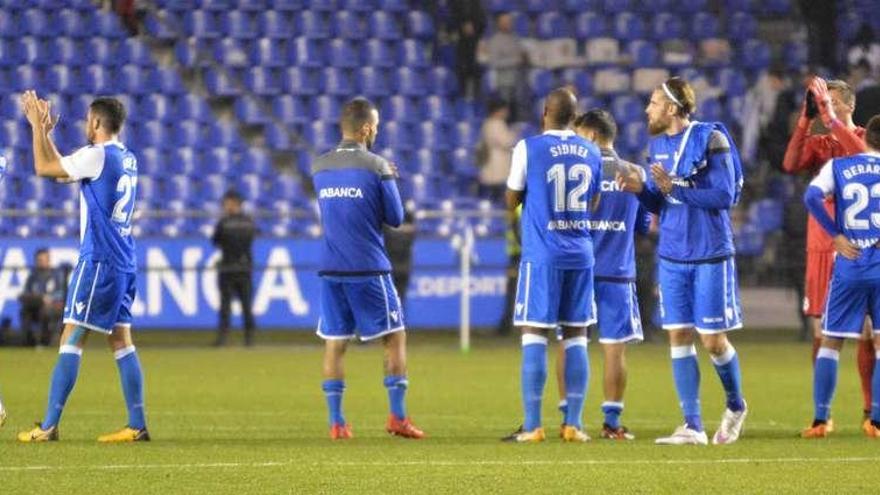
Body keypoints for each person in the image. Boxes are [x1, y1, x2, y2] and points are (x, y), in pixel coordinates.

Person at [616, 77, 747, 445]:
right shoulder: (657, 145)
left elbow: (723, 195)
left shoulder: (711, 139)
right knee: (678, 335)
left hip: (709, 251)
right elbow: (662, 203)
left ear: (672, 108)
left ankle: (736, 405)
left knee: (713, 341)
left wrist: (678, 188)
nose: (648, 109)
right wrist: (643, 191)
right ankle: (692, 425)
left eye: (654, 102)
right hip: (672, 253)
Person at [17, 91, 148, 443]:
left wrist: (34, 127)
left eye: (87, 120)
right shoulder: (127, 157)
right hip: (124, 260)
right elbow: (62, 174)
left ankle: (48, 426)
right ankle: (137, 424)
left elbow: (44, 169)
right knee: (121, 340)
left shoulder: (96, 155)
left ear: (95, 122)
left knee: (70, 337)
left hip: (100, 260)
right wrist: (46, 135)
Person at [311, 97, 424, 440]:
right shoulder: (378, 166)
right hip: (368, 268)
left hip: (331, 267)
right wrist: (389, 179)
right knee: (395, 336)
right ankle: (397, 417)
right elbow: (395, 218)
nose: (376, 131)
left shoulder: (319, 166)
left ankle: (337, 423)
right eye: (375, 127)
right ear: (365, 129)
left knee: (335, 341)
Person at [501, 88, 602, 443]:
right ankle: (573, 424)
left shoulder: (528, 147)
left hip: (543, 255)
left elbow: (512, 197)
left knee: (534, 333)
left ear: (545, 113)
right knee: (577, 336)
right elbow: (593, 199)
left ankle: (532, 425)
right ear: (574, 119)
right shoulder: (591, 150)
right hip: (580, 253)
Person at [552, 109, 651, 440]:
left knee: (569, 343)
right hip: (617, 273)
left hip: (577, 270)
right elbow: (644, 227)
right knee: (614, 348)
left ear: (592, 136)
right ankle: (611, 423)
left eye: (579, 136)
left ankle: (570, 418)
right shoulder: (635, 173)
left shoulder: (577, 169)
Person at [781, 77, 872, 423]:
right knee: (822, 332)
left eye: (832, 102)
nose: (825, 109)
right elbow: (790, 164)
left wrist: (830, 117)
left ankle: (869, 411)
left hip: (859, 246)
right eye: (822, 103)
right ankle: (823, 416)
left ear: (849, 106)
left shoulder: (865, 138)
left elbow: (863, 158)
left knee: (867, 330)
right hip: (822, 245)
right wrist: (805, 119)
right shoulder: (819, 144)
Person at [801, 114, 880, 438]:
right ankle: (875, 421)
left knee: (830, 343)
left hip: (849, 264)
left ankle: (821, 420)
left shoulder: (839, 167)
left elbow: (811, 197)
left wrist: (835, 233)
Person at [212, 189, 257, 347]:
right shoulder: (249, 221)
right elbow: (252, 238)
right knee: (246, 306)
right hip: (244, 267)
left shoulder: (223, 222)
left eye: (227, 203)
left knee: (226, 306)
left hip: (227, 267)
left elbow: (215, 241)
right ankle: (249, 339)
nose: (226, 206)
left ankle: (223, 339)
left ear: (234, 203)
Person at [478, 12, 527, 119]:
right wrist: (514, 61)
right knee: (506, 112)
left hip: (518, 80)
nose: (508, 24)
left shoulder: (515, 38)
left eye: (509, 21)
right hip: (504, 82)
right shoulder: (495, 40)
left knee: (520, 111)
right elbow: (494, 62)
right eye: (505, 22)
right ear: (499, 24)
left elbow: (520, 56)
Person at [18, 248, 66, 347]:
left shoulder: (56, 275)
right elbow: (26, 292)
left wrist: (51, 298)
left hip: (53, 306)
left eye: (42, 260)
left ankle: (45, 342)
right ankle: (29, 342)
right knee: (24, 311)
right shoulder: (32, 277)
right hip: (36, 305)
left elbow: (62, 292)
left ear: (48, 260)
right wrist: (40, 298)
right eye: (38, 260)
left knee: (45, 311)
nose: (40, 262)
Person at [477, 98, 518, 204]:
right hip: (496, 166)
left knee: (497, 196)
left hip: (495, 164)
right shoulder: (496, 124)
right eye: (505, 110)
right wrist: (514, 133)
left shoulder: (488, 123)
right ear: (499, 110)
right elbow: (506, 142)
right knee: (498, 197)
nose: (507, 113)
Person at [448, 0, 487, 100]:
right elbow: (453, 15)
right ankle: (463, 103)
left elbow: (482, 20)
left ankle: (475, 102)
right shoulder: (457, 4)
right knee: (463, 72)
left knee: (476, 71)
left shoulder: (476, 4)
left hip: (475, 41)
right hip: (462, 44)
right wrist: (463, 24)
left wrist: (475, 26)